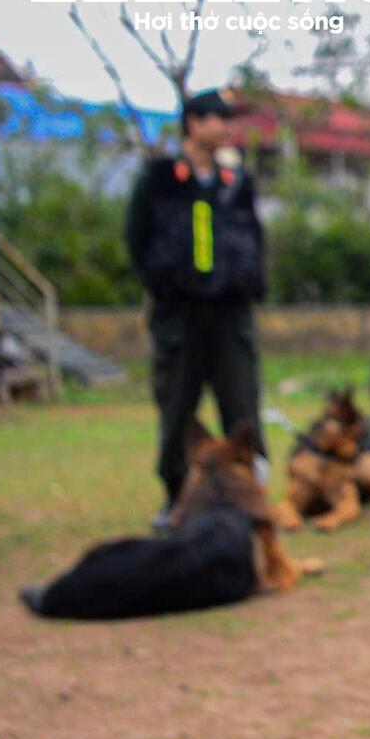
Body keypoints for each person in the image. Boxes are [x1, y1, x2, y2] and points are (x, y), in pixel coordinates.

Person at [125, 89, 268, 528]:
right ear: (193, 123)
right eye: (218, 118)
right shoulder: (161, 178)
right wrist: (167, 286)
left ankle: (250, 497)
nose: (226, 127)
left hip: (230, 314)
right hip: (181, 315)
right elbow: (137, 239)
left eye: (229, 119)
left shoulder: (235, 182)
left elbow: (254, 240)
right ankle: (176, 497)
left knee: (242, 406)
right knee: (178, 409)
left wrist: (248, 284)